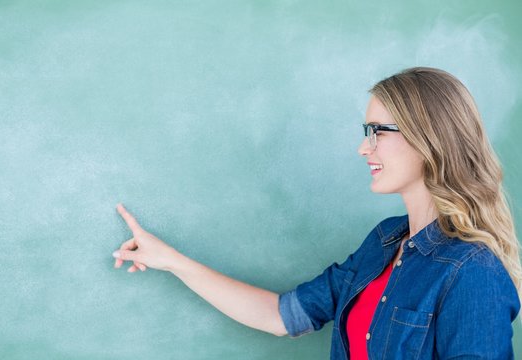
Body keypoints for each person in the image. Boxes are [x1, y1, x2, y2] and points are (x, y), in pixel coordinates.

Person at [112, 67, 521, 359]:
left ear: (428, 137)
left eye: (379, 131)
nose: (365, 147)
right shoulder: (384, 243)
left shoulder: (473, 270)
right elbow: (281, 315)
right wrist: (169, 259)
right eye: (367, 132)